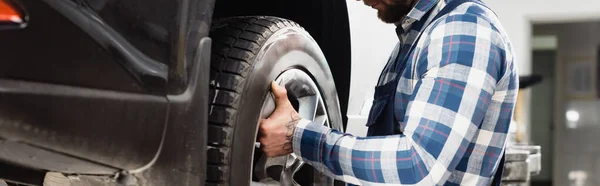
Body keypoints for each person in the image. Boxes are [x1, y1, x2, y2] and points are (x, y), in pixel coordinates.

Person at [258, 0, 518, 185]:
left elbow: (418, 168)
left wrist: (300, 137)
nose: (360, 0)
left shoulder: (465, 29)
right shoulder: (415, 39)